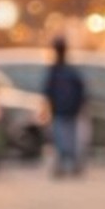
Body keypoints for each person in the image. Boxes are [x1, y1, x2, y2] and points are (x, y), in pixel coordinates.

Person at [45, 36, 88, 176]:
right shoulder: (70, 71)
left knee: (60, 138)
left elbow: (47, 90)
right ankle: (73, 164)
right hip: (71, 111)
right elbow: (82, 90)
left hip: (60, 111)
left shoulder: (55, 71)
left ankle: (63, 165)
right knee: (71, 138)